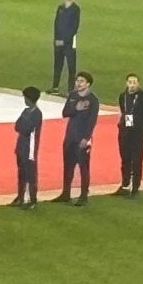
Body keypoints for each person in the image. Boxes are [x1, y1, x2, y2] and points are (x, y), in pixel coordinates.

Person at [52, 72, 99, 207]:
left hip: (82, 138)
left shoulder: (93, 100)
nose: (78, 83)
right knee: (68, 166)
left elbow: (92, 121)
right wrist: (76, 107)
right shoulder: (73, 96)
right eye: (78, 80)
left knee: (83, 167)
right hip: (70, 136)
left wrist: (87, 138)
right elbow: (65, 113)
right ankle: (66, 193)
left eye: (82, 81)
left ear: (88, 84)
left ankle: (84, 195)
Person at [116, 73, 143, 198]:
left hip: (138, 134)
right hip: (125, 132)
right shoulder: (123, 96)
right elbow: (124, 111)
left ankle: (135, 187)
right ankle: (125, 185)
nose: (132, 85)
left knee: (137, 161)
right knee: (125, 159)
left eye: (134, 82)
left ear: (138, 84)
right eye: (130, 82)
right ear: (126, 83)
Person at [11, 87, 42, 209]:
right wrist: (22, 127)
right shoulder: (26, 111)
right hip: (21, 146)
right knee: (21, 172)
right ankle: (21, 196)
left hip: (30, 149)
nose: (24, 100)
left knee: (30, 174)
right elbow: (17, 126)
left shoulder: (37, 114)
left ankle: (32, 199)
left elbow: (25, 128)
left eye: (25, 97)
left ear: (29, 99)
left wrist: (22, 126)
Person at [50, 0, 80, 95]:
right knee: (57, 64)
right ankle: (55, 87)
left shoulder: (75, 9)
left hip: (70, 43)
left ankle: (71, 89)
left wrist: (65, 40)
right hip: (58, 41)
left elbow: (74, 27)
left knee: (71, 66)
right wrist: (56, 39)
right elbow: (56, 24)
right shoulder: (60, 8)